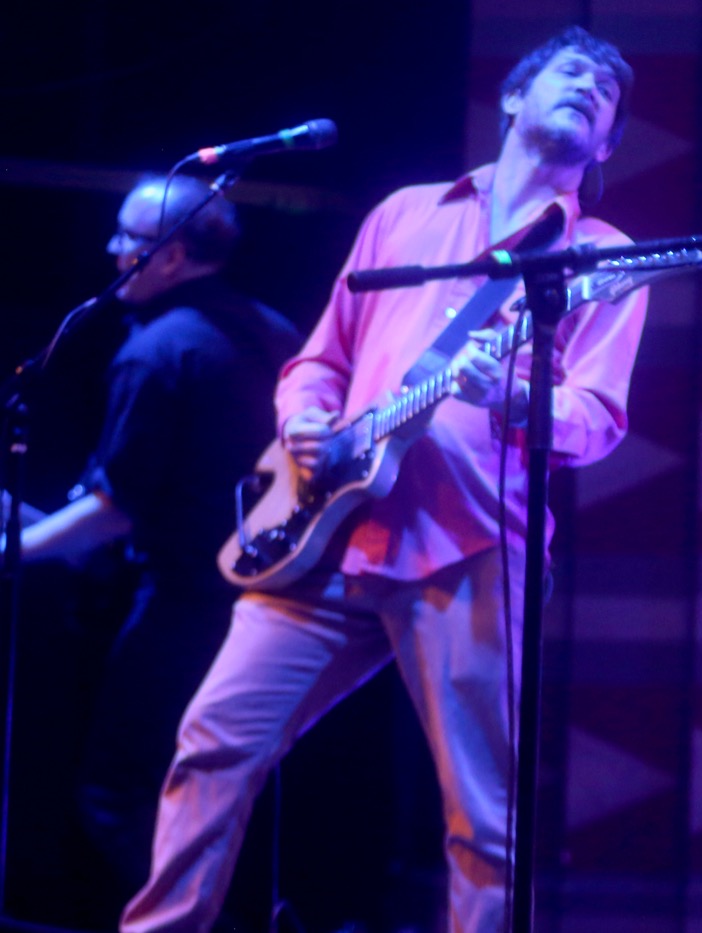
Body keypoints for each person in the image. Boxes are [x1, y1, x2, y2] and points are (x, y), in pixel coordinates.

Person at [120, 26, 646, 933]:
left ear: (605, 149)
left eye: (607, 96)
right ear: (512, 98)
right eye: (571, 72)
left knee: (485, 818)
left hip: (471, 551)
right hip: (324, 536)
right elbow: (319, 361)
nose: (589, 88)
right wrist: (303, 419)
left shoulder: (600, 255)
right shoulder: (403, 214)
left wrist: (511, 395)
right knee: (211, 747)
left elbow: (596, 418)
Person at [14, 174, 300, 922]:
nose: (114, 251)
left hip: (180, 607)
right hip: (272, 607)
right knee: (225, 792)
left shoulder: (157, 351)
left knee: (118, 790)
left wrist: (18, 546)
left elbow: (117, 512)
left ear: (171, 257)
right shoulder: (274, 332)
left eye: (128, 239)